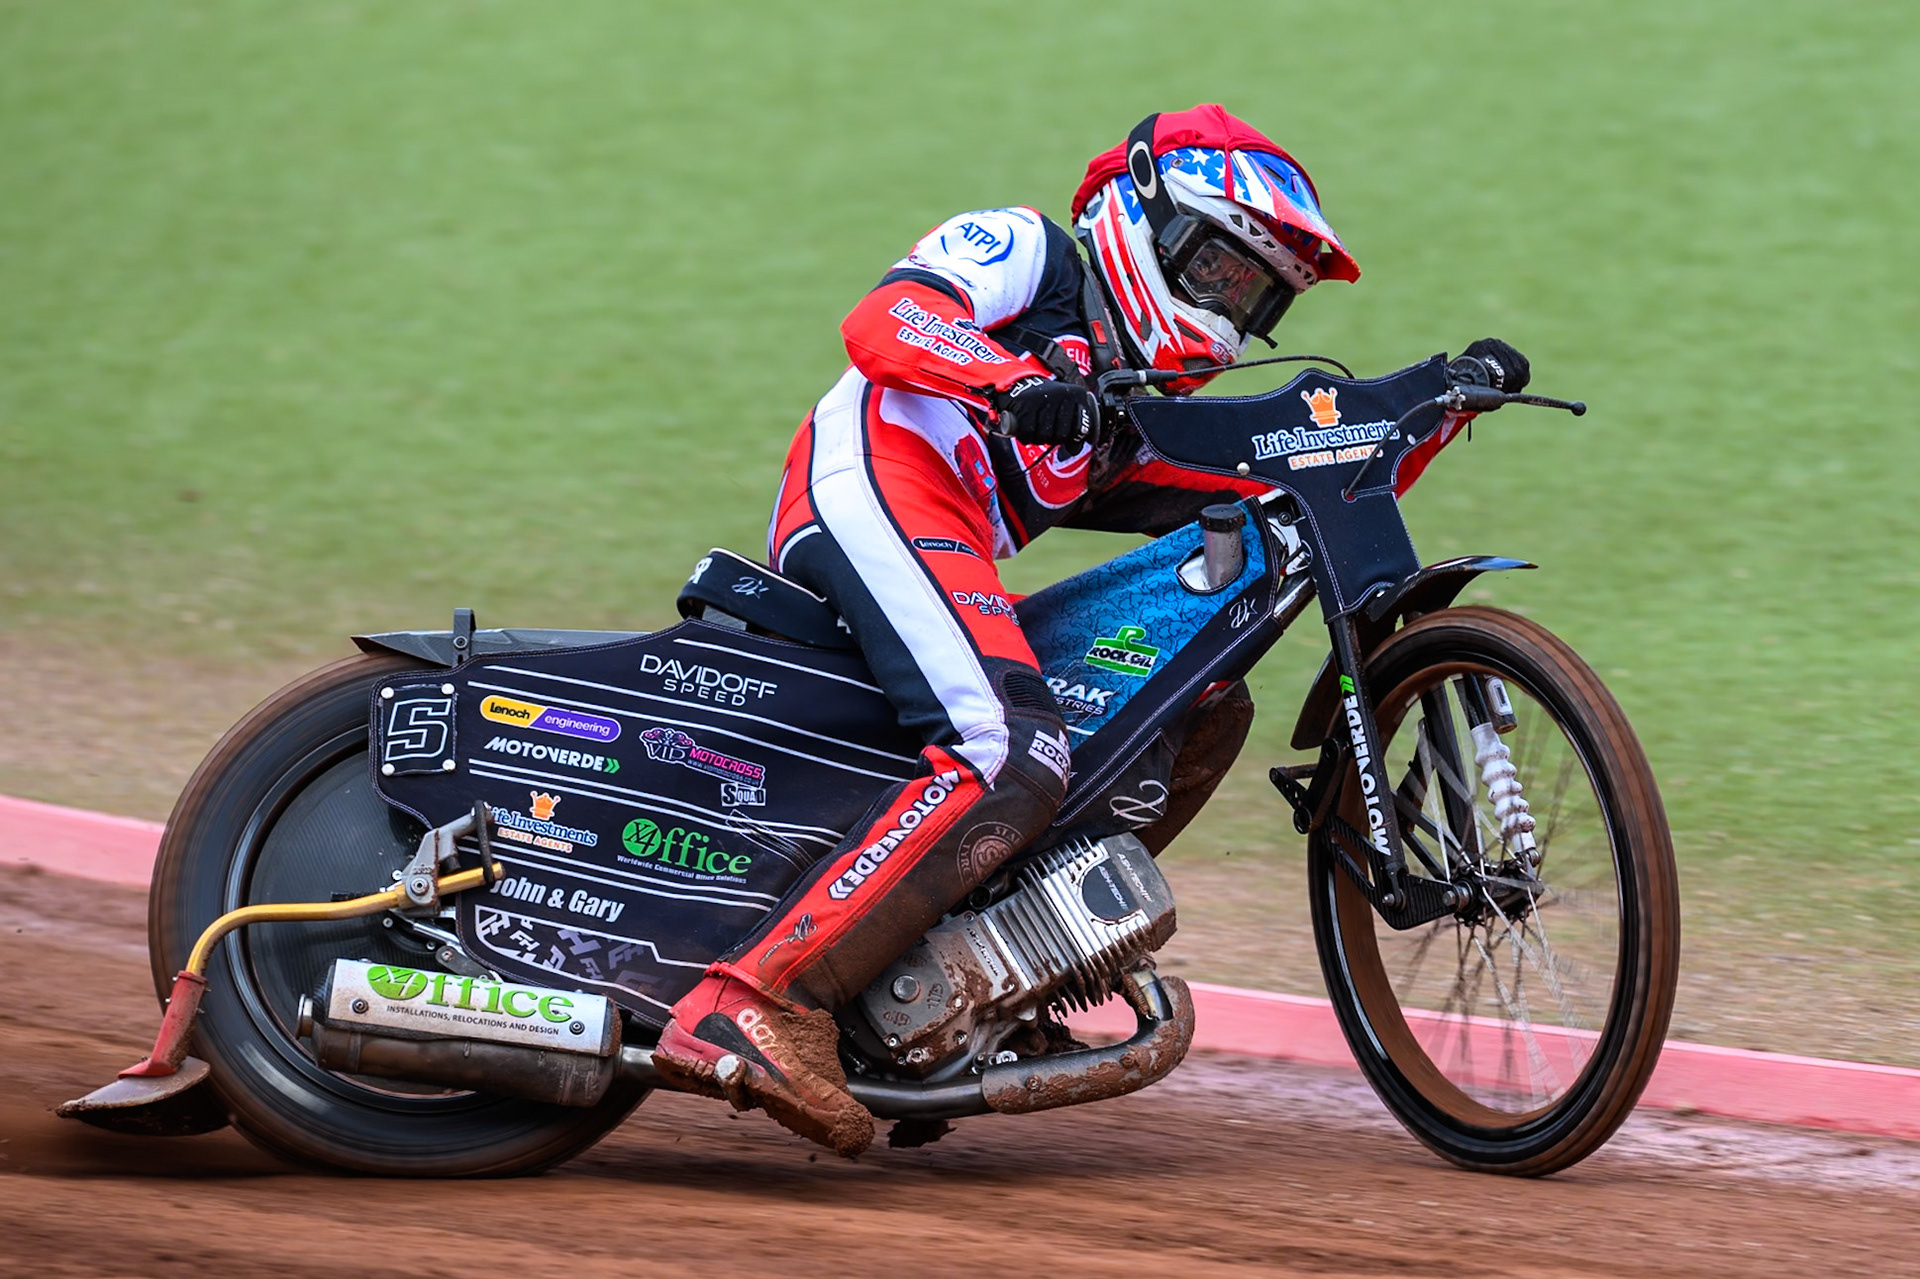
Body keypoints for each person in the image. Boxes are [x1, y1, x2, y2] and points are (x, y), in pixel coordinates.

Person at [652, 105, 1530, 1155]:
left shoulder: (1135, 401)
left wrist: (1431, 411)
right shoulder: (1030, 249)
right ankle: (750, 1000)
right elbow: (883, 322)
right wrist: (1014, 380)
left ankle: (946, 989)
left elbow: (1292, 477)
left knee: (1196, 704)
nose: (1228, 311)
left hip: (950, 537)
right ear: (1144, 213)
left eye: (1255, 298)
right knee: (1004, 745)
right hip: (872, 480)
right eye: (1218, 269)